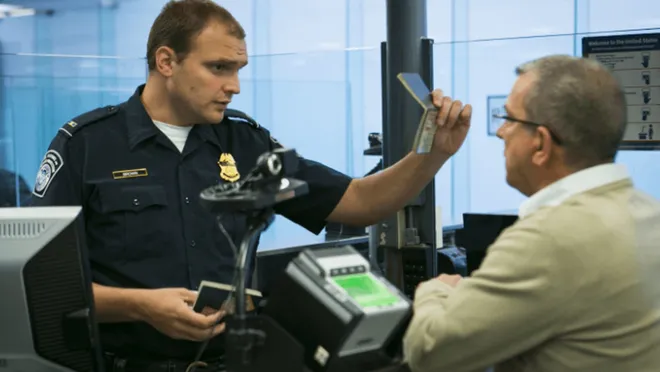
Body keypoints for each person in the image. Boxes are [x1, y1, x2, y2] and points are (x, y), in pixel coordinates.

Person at [30, 1, 472, 371]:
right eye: (218, 68)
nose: (234, 86)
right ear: (166, 61)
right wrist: (140, 305)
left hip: (235, 360)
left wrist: (433, 154)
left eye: (238, 68)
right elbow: (37, 284)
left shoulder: (245, 141)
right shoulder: (86, 145)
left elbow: (358, 201)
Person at [402, 54, 660, 372]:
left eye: (509, 119)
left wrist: (435, 290)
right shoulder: (648, 213)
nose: (501, 132)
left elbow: (429, 352)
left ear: (541, 144)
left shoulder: (547, 239)